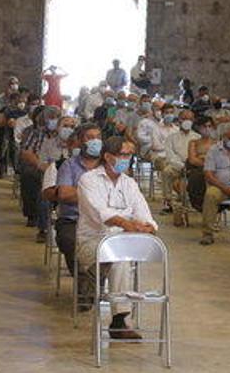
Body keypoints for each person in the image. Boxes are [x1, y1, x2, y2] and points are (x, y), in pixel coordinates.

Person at [76, 137, 158, 339]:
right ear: (108, 156)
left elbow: (143, 213)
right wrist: (128, 224)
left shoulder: (129, 183)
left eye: (130, 155)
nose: (127, 159)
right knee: (120, 257)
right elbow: (99, 214)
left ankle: (104, 287)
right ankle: (119, 319)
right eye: (123, 154)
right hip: (93, 241)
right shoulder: (89, 180)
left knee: (121, 255)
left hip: (124, 242)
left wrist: (147, 226)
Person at [51, 124, 102, 292]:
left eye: (98, 137)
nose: (95, 141)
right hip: (72, 220)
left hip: (102, 221)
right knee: (70, 242)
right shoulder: (69, 166)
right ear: (80, 142)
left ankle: (90, 285)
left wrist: (79, 194)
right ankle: (86, 286)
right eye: (90, 137)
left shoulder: (107, 165)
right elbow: (65, 194)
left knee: (111, 246)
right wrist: (98, 195)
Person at [160, 110, 200, 226]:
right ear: (179, 120)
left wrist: (190, 165)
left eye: (190, 119)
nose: (187, 121)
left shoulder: (197, 137)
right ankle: (168, 202)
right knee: (167, 171)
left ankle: (195, 202)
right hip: (177, 166)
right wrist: (181, 166)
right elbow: (170, 155)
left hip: (193, 167)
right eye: (184, 118)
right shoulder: (171, 138)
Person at [185, 117, 216, 213]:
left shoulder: (217, 143)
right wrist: (207, 163)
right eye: (204, 126)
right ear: (199, 128)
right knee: (200, 176)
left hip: (214, 170)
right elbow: (193, 160)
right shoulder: (194, 143)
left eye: (209, 126)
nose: (207, 129)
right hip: (198, 169)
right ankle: (201, 204)